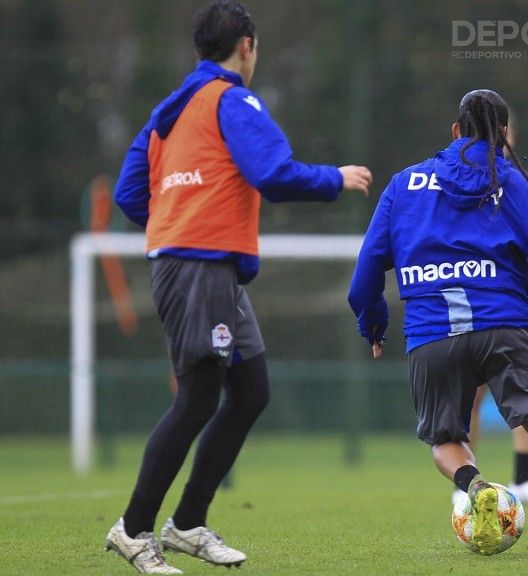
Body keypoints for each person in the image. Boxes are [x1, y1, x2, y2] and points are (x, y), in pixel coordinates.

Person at [106, 1, 372, 573]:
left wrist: (176, 212)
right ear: (246, 46)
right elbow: (272, 173)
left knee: (251, 391)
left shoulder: (169, 112)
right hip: (198, 264)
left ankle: (189, 523)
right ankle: (133, 529)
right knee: (199, 396)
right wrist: (337, 178)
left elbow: (131, 194)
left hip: (204, 264)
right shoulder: (233, 99)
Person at [348, 89, 528, 558]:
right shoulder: (511, 180)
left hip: (432, 333)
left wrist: (373, 324)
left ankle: (475, 485)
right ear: (503, 134)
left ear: (455, 131)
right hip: (506, 325)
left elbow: (366, 274)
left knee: (445, 439)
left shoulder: (404, 183)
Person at [458, 263, 528, 508]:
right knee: (470, 399)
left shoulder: (514, 223)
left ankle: (522, 480)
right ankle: (466, 483)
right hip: (469, 312)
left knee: (525, 402)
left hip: (516, 315)